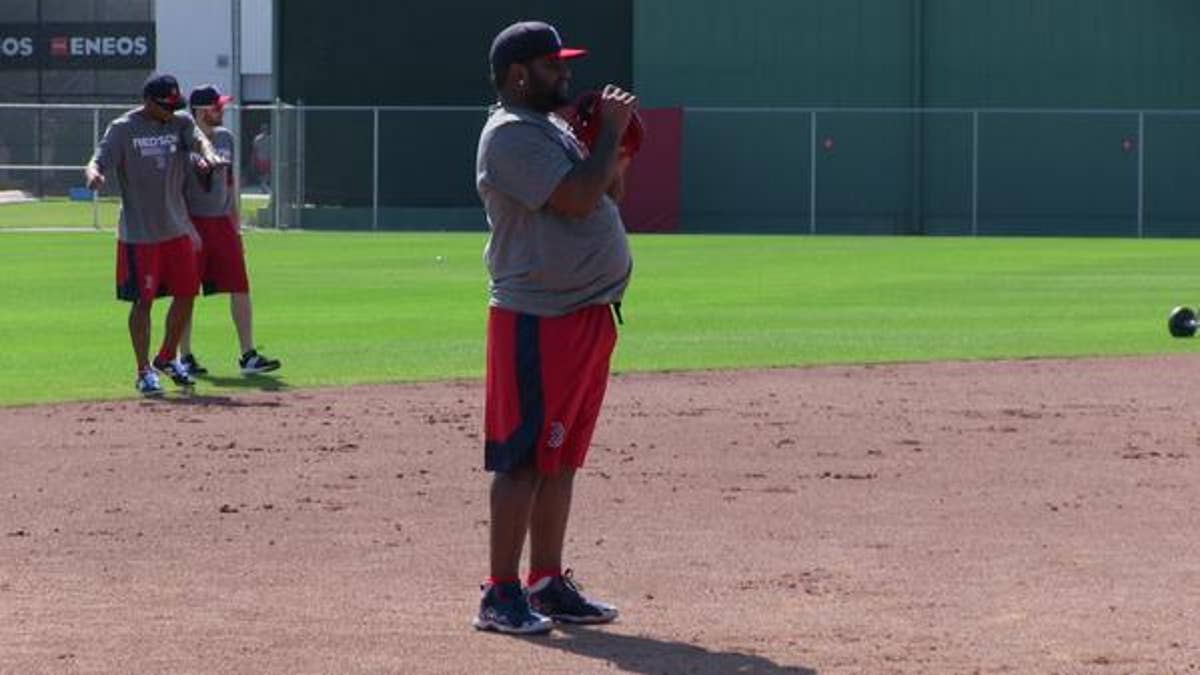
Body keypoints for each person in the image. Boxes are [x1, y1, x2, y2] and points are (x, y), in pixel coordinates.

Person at [472, 20, 636, 635]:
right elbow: (571, 200)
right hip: (537, 319)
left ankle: (545, 581)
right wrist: (610, 135)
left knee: (560, 456)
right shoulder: (509, 135)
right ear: (518, 75)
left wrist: (612, 150)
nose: (565, 73)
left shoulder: (553, 128)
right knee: (521, 460)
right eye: (551, 65)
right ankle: (500, 592)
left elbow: (605, 192)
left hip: (586, 314)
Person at [85, 73, 225, 396]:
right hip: (140, 234)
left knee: (188, 293)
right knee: (143, 302)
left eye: (175, 105)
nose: (172, 112)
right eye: (166, 106)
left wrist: (209, 154)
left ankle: (166, 357)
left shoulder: (179, 123)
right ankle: (143, 370)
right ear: (148, 102)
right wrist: (94, 174)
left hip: (176, 228)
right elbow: (97, 160)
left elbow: (199, 141)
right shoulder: (123, 129)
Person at [178, 84, 281, 377]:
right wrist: (185, 228)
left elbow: (230, 185)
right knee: (186, 291)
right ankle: (184, 357)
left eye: (221, 105)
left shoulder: (226, 138)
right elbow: (174, 191)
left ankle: (248, 355)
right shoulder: (182, 142)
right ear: (198, 111)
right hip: (192, 222)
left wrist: (236, 227)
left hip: (222, 222)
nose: (221, 110)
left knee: (240, 286)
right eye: (215, 106)